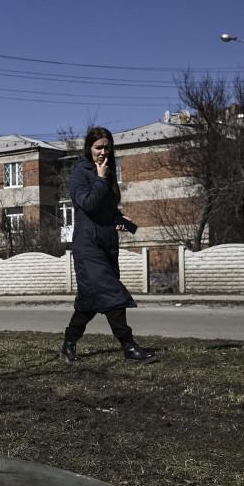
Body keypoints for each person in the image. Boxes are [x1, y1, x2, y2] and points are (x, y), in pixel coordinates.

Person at [61, 127, 154, 363]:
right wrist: (101, 179)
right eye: (98, 147)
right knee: (112, 293)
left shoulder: (108, 172)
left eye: (106, 147)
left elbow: (104, 209)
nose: (103, 152)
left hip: (105, 245)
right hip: (87, 246)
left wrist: (118, 219)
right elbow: (87, 204)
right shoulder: (80, 172)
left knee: (88, 303)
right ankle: (129, 347)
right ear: (89, 148)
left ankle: (68, 343)